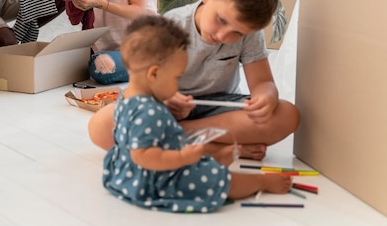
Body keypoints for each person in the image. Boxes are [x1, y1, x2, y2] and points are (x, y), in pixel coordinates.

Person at [89, 0, 301, 160]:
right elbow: (141, 85)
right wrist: (165, 98)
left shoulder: (250, 35)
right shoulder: (172, 25)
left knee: (287, 115)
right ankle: (215, 147)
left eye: (237, 33)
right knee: (99, 126)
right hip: (165, 109)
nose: (223, 36)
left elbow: (263, 83)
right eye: (221, 20)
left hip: (217, 109)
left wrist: (266, 97)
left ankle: (173, 138)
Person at [103, 14, 292, 213]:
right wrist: (183, 157)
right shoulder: (150, 113)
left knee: (198, 159)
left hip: (126, 172)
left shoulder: (127, 101)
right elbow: (144, 156)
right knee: (218, 180)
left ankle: (215, 158)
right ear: (154, 74)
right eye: (176, 77)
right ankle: (261, 183)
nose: (178, 85)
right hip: (154, 180)